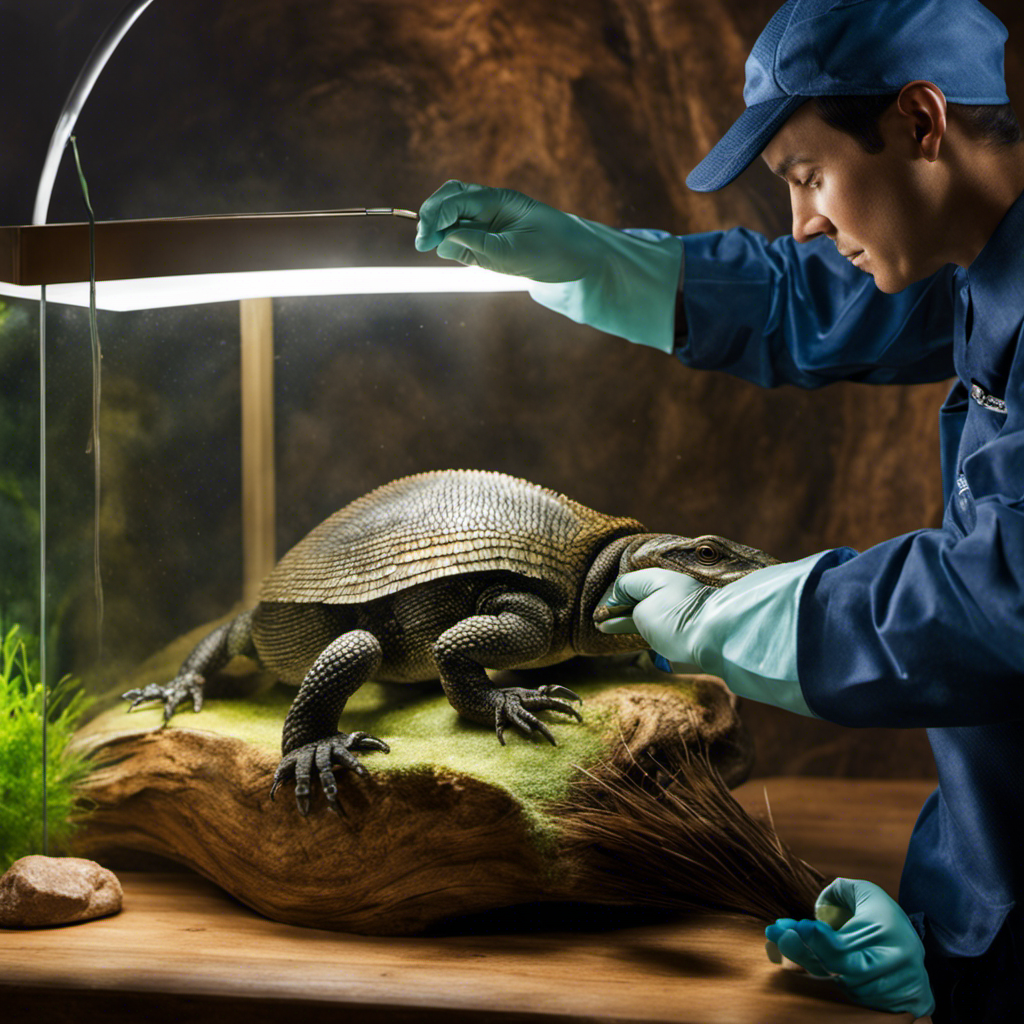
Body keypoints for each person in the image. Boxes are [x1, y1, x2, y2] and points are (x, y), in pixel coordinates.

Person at [413, 0, 1023, 1020]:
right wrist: (596, 259)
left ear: (920, 123)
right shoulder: (977, 252)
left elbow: (996, 602)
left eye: (807, 176)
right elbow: (810, 298)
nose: (803, 221)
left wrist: (735, 615)